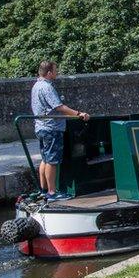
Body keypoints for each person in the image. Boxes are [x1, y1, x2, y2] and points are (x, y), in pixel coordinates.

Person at [31, 61, 89, 201]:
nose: (57, 72)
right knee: (52, 160)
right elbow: (59, 107)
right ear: (49, 72)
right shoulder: (47, 87)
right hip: (51, 128)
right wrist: (78, 113)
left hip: (40, 127)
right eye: (55, 70)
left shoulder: (36, 86)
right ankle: (52, 193)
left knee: (45, 159)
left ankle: (43, 190)